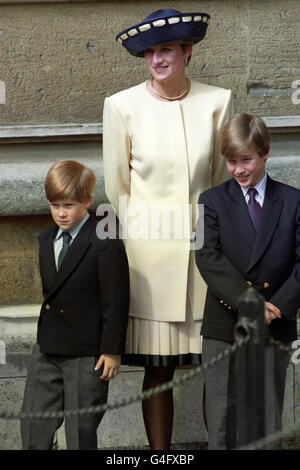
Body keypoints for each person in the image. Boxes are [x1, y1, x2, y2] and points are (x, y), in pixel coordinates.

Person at [103, 9, 233, 450]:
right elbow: (117, 185)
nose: (157, 59)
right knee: (159, 370)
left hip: (206, 257)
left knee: (216, 367)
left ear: (187, 51)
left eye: (167, 50)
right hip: (149, 262)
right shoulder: (121, 105)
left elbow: (219, 180)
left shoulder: (218, 100)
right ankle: (160, 457)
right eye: (150, 52)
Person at [195, 113, 300, 449]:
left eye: (246, 160)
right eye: (231, 161)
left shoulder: (294, 201)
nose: (238, 169)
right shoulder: (209, 202)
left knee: (268, 418)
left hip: (276, 323)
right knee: (222, 416)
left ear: (265, 153)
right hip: (225, 324)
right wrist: (249, 303)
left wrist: (276, 307)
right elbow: (207, 257)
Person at [21, 160, 129, 450]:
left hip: (87, 352)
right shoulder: (46, 239)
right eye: (55, 205)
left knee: (80, 433)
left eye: (68, 205)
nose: (61, 213)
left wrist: (111, 350)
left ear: (87, 200)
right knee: (33, 424)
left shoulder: (104, 240)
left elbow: (116, 300)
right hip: (48, 347)